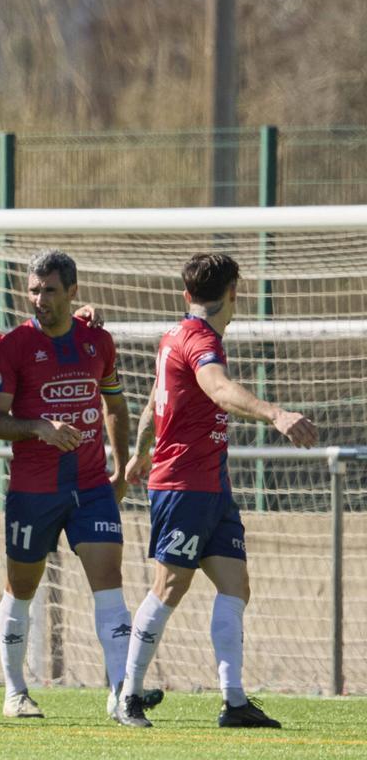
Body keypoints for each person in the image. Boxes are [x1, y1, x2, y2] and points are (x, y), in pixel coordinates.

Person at [117, 253, 317, 729]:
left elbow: (152, 403)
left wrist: (140, 451)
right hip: (185, 485)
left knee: (235, 586)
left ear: (188, 295)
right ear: (235, 292)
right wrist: (276, 414)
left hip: (211, 487)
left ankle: (233, 701)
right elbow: (220, 389)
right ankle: (127, 696)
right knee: (169, 586)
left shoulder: (172, 337)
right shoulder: (200, 340)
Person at [0, 249, 160, 720]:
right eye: (34, 290)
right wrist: (40, 428)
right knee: (21, 588)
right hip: (33, 491)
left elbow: (116, 407)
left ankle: (123, 691)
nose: (40, 299)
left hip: (90, 487)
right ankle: (15, 691)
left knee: (110, 584)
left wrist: (122, 468)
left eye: (50, 290)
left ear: (73, 292)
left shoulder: (97, 342)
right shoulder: (14, 347)